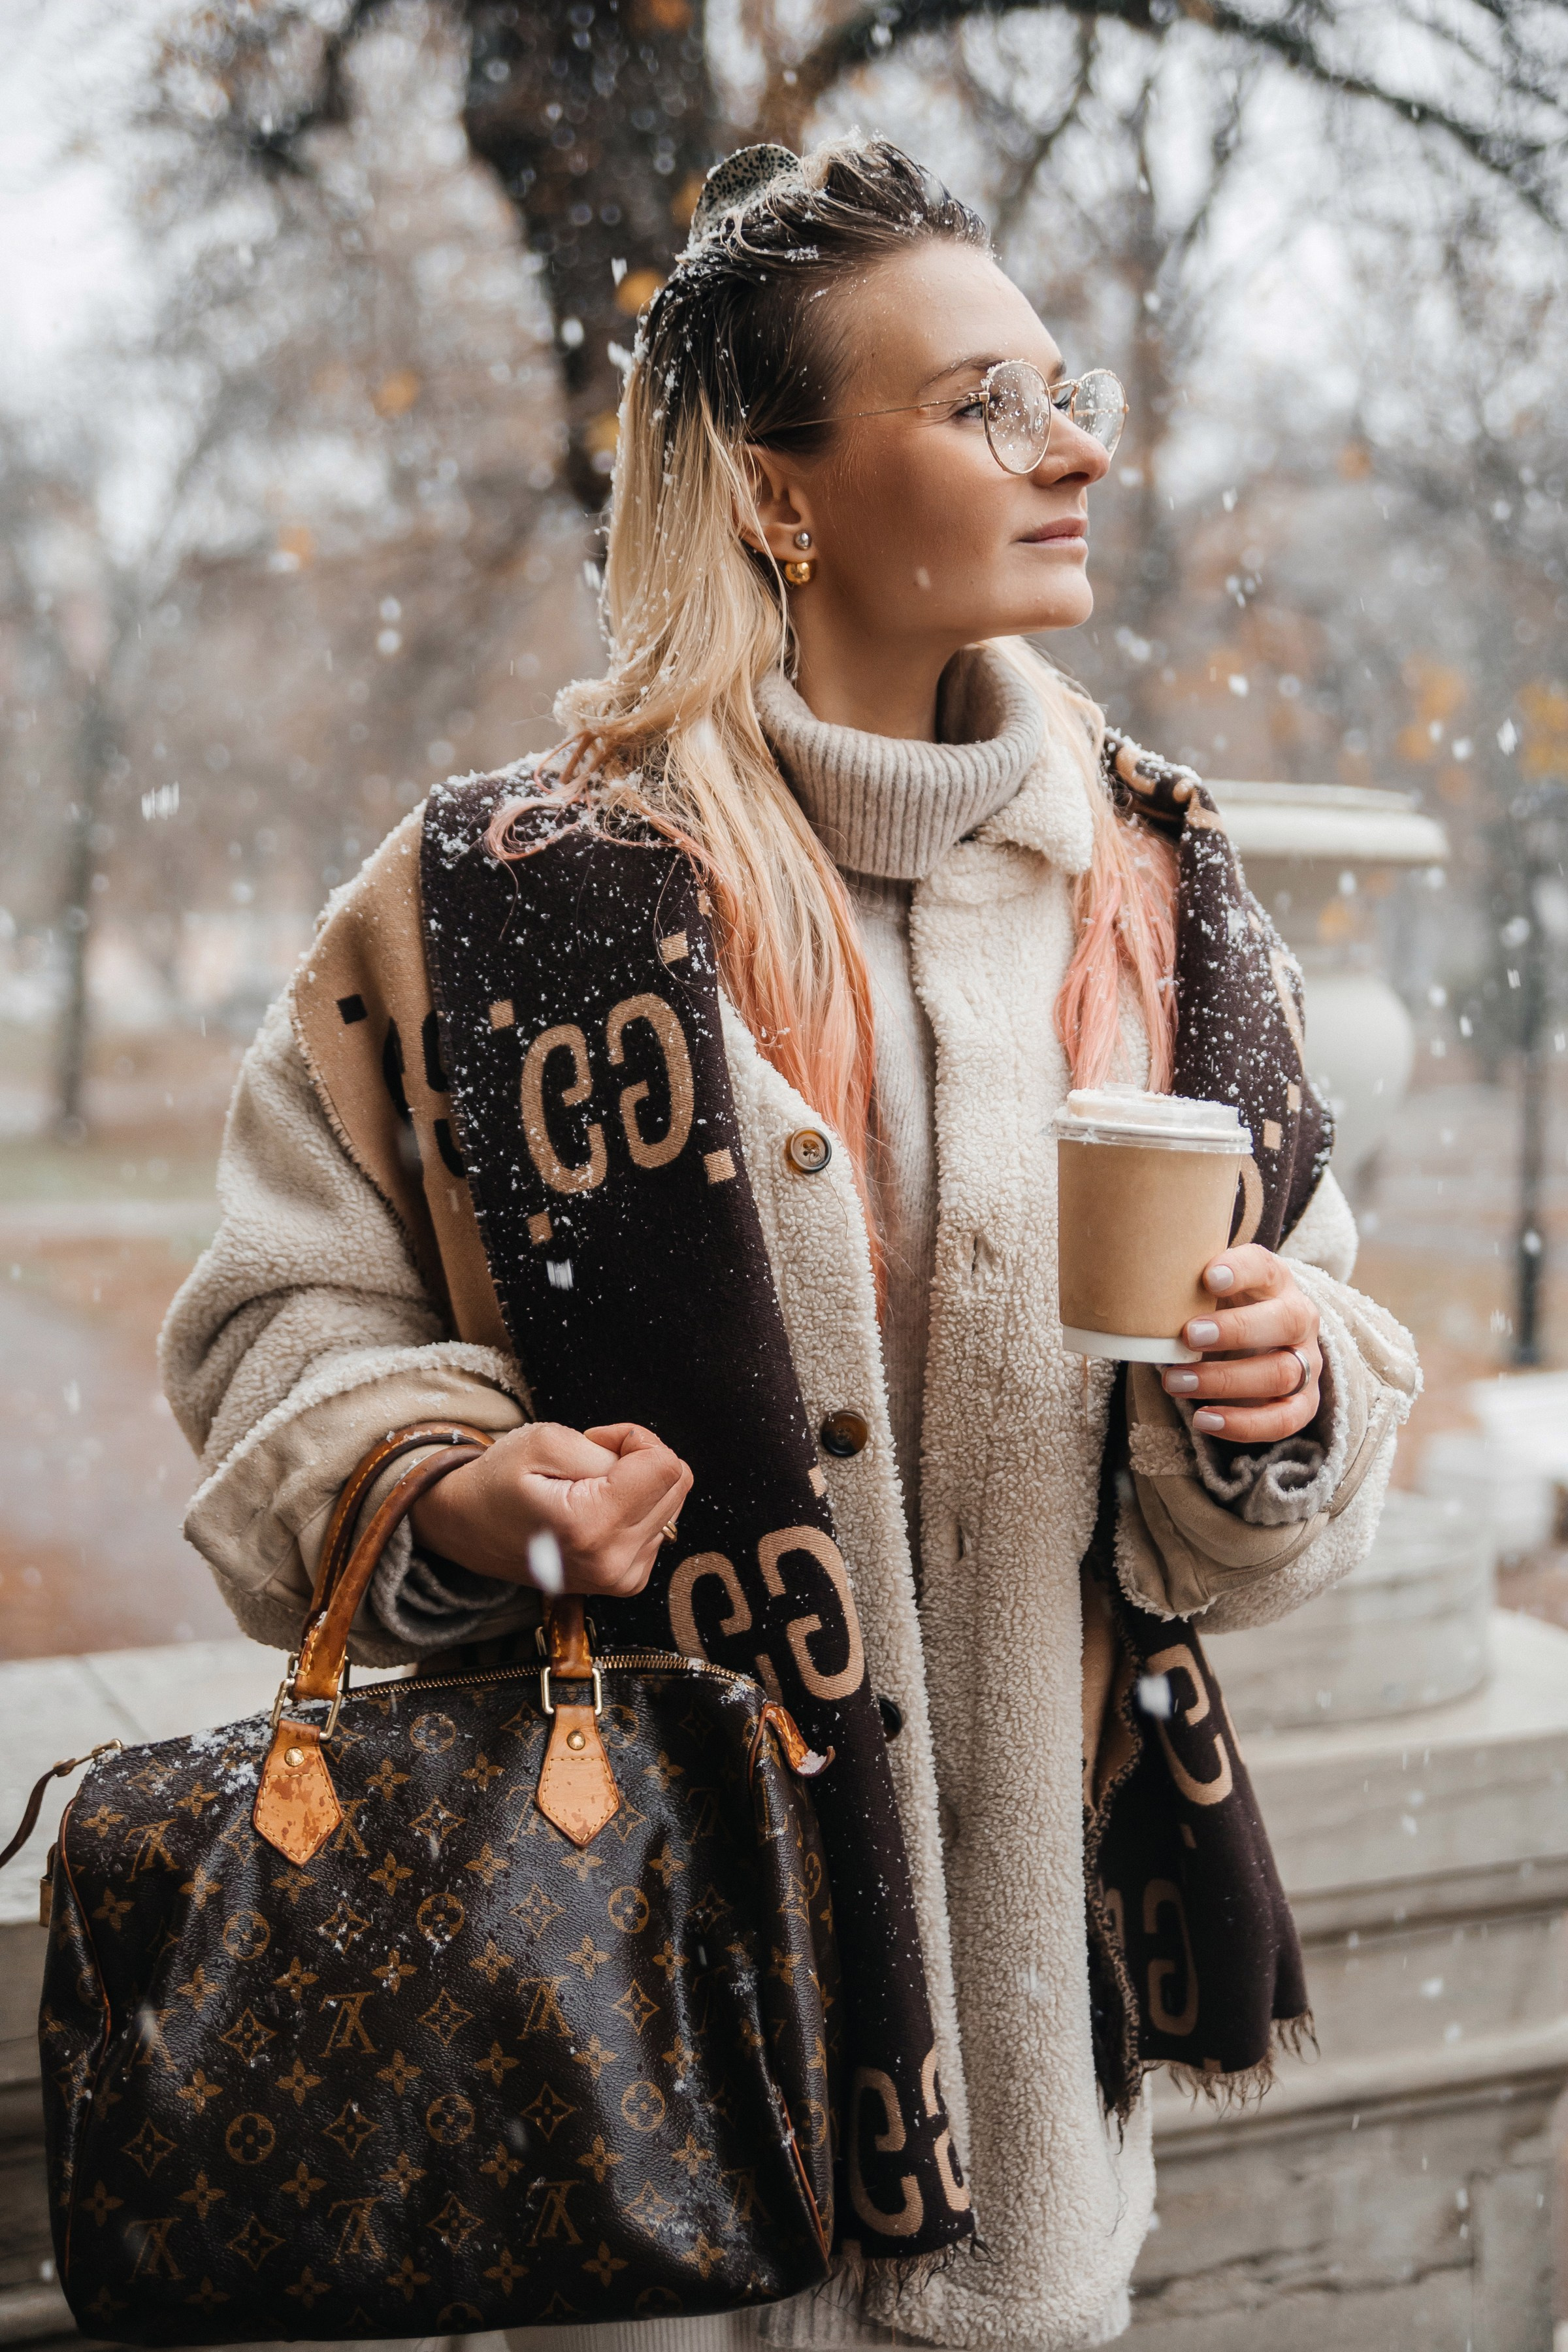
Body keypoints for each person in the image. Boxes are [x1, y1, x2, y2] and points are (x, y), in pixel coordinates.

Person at [161, 136, 1418, 2352]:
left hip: (1035, 2131)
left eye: (1066, 385)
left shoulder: (1158, 888)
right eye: (981, 403)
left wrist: (1286, 1396)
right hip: (629, 2116)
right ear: (777, 490)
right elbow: (282, 1315)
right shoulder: (499, 895)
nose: (1083, 447)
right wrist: (448, 1482)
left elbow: (1301, 1349)